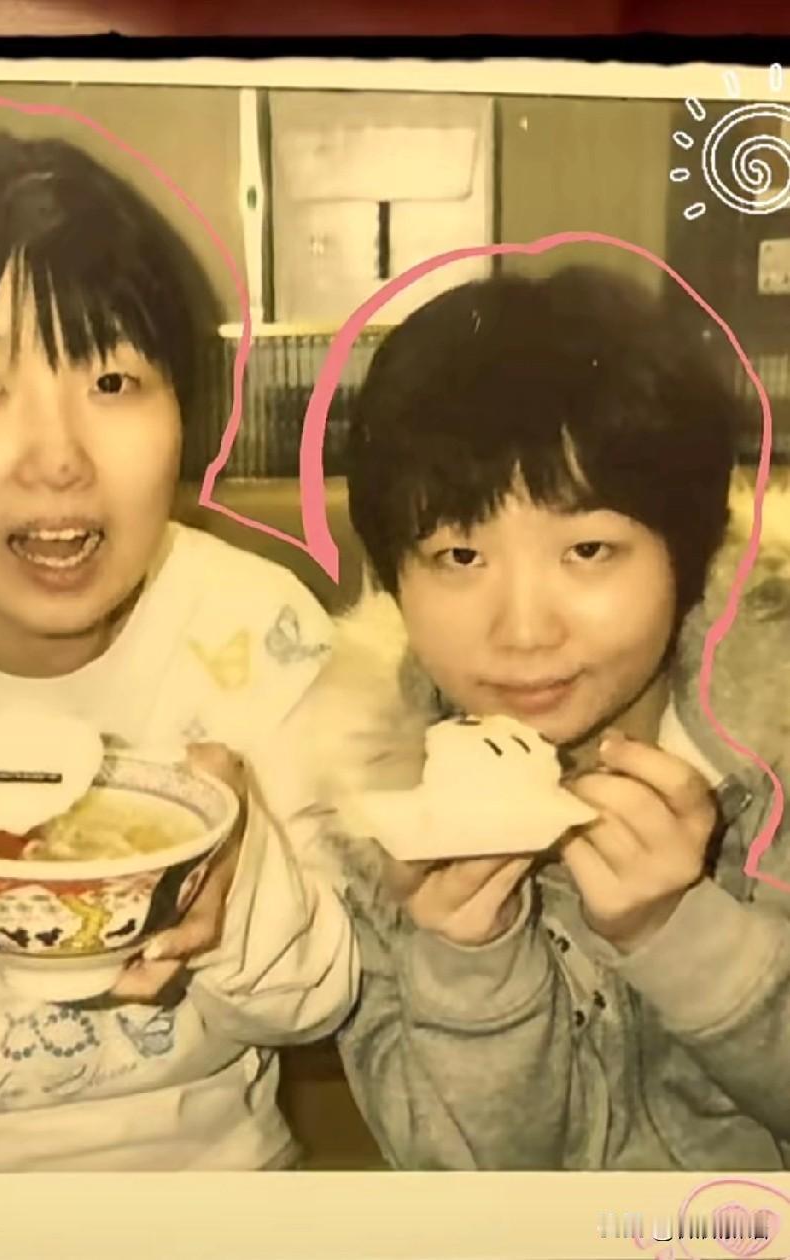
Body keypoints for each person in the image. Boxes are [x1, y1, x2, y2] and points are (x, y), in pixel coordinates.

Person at [0, 128, 356, 1172]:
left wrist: (241, 877)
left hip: (204, 1195)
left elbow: (321, 998)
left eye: (113, 382)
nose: (59, 460)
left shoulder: (255, 631)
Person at [293, 262, 790, 1170]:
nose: (523, 632)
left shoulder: (774, 747)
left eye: (588, 549)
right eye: (459, 557)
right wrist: (469, 960)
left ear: (684, 556)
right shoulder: (375, 804)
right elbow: (465, 1186)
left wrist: (680, 932)